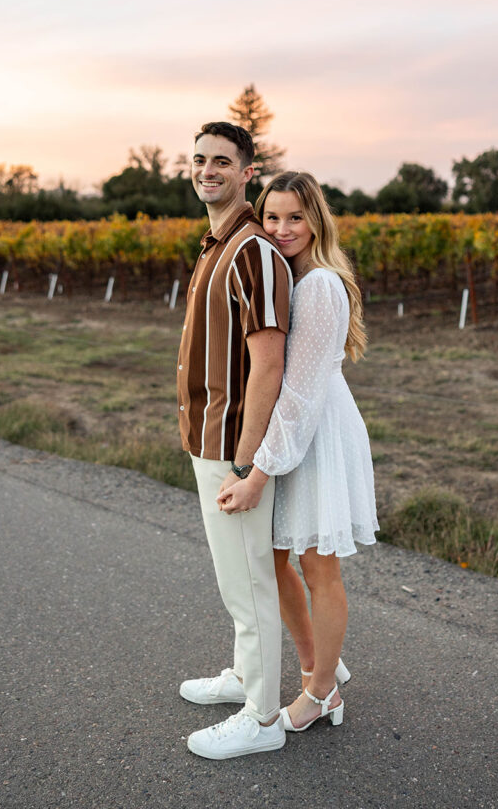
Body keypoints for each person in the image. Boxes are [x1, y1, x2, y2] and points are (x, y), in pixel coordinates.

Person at [218, 170, 379, 733]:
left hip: (316, 433)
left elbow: (302, 394)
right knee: (278, 557)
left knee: (318, 566)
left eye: (295, 217)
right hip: (298, 428)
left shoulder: (318, 284)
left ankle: (320, 694)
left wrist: (259, 472)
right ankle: (319, 666)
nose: (282, 229)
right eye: (271, 217)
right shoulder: (290, 274)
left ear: (316, 220)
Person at [176, 122, 292, 760]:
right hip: (207, 438)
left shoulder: (253, 251)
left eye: (222, 161)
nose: (207, 170)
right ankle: (248, 676)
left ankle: (264, 718)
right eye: (199, 160)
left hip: (233, 447)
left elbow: (268, 365)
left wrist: (248, 464)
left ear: (249, 171)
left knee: (249, 583)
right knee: (234, 580)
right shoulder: (214, 245)